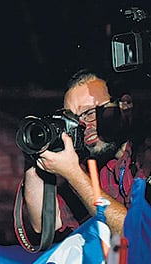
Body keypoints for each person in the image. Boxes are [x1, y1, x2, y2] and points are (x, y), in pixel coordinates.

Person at [17, 69, 143, 245]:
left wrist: (74, 175)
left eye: (90, 113)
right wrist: (33, 154)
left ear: (123, 105)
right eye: (74, 119)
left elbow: (137, 234)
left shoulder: (144, 155)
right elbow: (45, 223)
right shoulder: (93, 166)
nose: (83, 125)